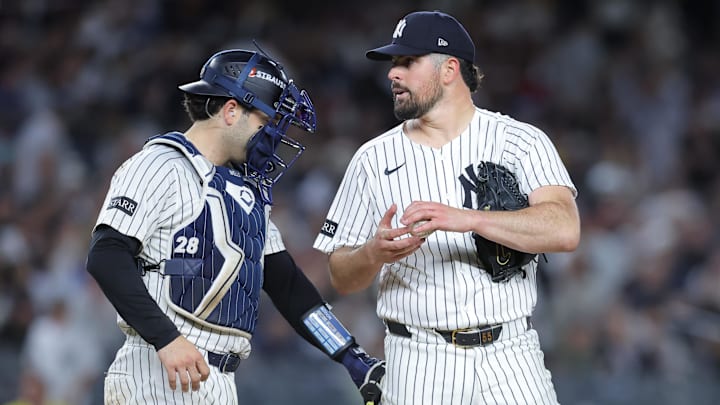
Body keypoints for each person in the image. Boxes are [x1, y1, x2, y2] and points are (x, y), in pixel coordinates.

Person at [86, 48, 384, 404]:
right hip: (158, 368)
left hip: (216, 380)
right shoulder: (160, 164)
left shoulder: (246, 192)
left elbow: (288, 287)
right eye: (265, 122)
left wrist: (353, 359)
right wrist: (165, 337)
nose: (272, 137)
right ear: (230, 111)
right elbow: (106, 255)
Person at [313, 10, 580, 405]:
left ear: (449, 69)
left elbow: (565, 230)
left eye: (407, 62)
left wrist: (469, 219)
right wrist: (373, 252)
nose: (393, 74)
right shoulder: (372, 158)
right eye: (393, 64)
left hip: (511, 355)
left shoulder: (520, 141)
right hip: (418, 360)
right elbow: (341, 277)